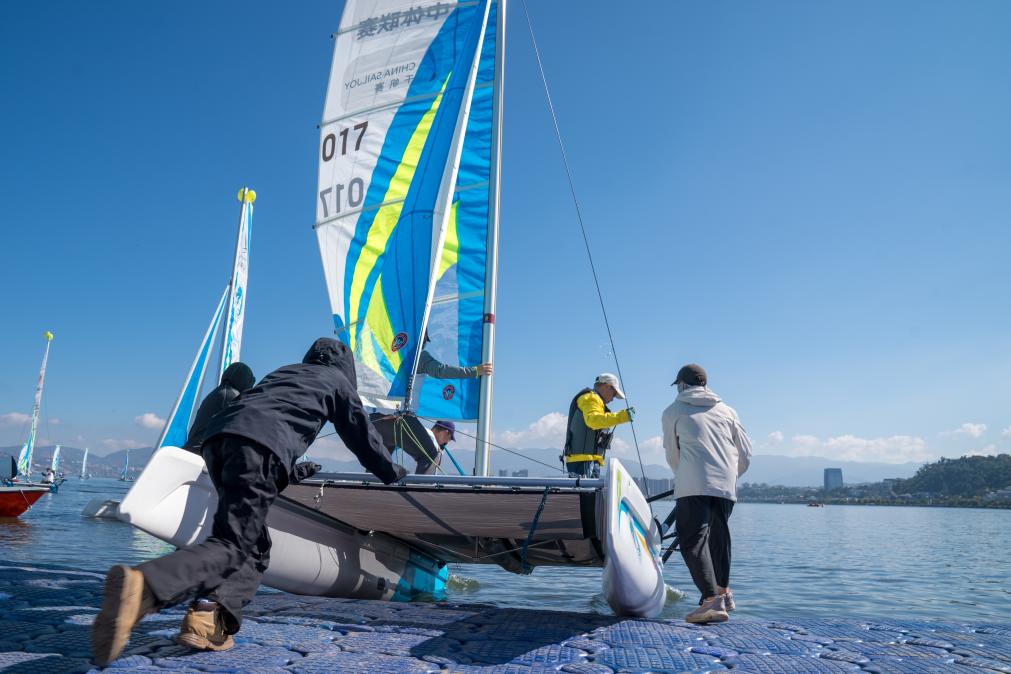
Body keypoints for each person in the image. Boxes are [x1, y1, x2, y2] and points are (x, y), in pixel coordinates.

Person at [90, 338, 406, 666]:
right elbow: (360, 434)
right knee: (232, 546)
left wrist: (294, 470)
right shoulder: (337, 381)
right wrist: (392, 473)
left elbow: (261, 423)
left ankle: (206, 620)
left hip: (218, 442)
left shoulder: (286, 373)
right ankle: (146, 586)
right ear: (346, 368)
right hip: (258, 446)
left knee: (253, 545)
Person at [661, 363, 752, 624]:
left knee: (691, 540)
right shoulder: (728, 411)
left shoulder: (673, 411)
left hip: (693, 483)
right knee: (718, 538)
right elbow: (745, 453)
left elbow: (672, 452)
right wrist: (729, 475)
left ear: (681, 385)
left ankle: (710, 601)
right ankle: (724, 594)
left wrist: (684, 476)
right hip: (725, 485)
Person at [563, 373, 635, 477]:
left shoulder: (595, 401)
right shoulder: (591, 398)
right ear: (606, 387)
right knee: (588, 487)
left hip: (587, 460)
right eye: (614, 394)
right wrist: (623, 416)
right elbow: (593, 421)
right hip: (584, 461)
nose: (612, 399)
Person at [183, 362, 255, 452]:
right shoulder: (231, 396)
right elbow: (244, 427)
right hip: (201, 452)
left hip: (192, 448)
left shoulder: (216, 393)